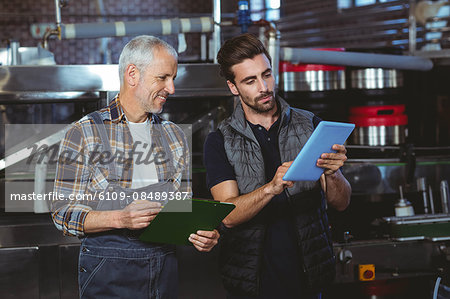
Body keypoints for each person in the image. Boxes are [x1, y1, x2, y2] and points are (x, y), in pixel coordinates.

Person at [52, 35, 219, 299]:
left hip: (164, 272)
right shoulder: (85, 133)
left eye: (173, 78)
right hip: (108, 276)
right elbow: (63, 214)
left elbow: (179, 209)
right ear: (132, 74)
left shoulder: (174, 136)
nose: (172, 88)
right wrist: (120, 218)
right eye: (163, 78)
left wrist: (198, 233)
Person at [203, 33, 351, 299]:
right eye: (250, 80)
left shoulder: (311, 126)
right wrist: (270, 189)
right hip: (251, 285)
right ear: (233, 87)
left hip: (309, 281)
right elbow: (227, 215)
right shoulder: (219, 141)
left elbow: (342, 203)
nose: (264, 86)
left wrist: (334, 173)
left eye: (267, 74)